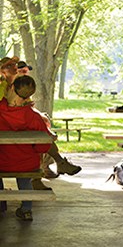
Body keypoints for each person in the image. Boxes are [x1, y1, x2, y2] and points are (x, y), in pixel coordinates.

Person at [0, 57, 82, 190]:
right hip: (10, 136)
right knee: (38, 139)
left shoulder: (19, 85)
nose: (16, 68)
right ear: (3, 70)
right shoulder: (6, 88)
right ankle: (54, 165)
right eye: (11, 66)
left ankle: (43, 174)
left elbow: (23, 106)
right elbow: (17, 108)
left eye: (17, 66)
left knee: (38, 135)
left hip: (17, 131)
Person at [0, 75, 52, 221]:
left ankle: (1, 205)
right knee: (25, 180)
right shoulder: (33, 116)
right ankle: (26, 209)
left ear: (10, 88)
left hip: (1, 162)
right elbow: (43, 145)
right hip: (26, 163)